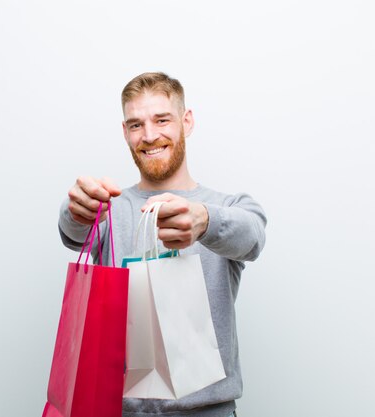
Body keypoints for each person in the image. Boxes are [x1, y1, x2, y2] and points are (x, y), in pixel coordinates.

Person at [58, 72, 267, 417]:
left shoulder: (227, 206)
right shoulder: (111, 208)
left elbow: (253, 236)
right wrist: (75, 209)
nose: (150, 135)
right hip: (120, 410)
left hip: (207, 411)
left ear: (187, 121)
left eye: (162, 120)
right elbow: (73, 231)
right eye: (136, 124)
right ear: (125, 132)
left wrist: (204, 221)